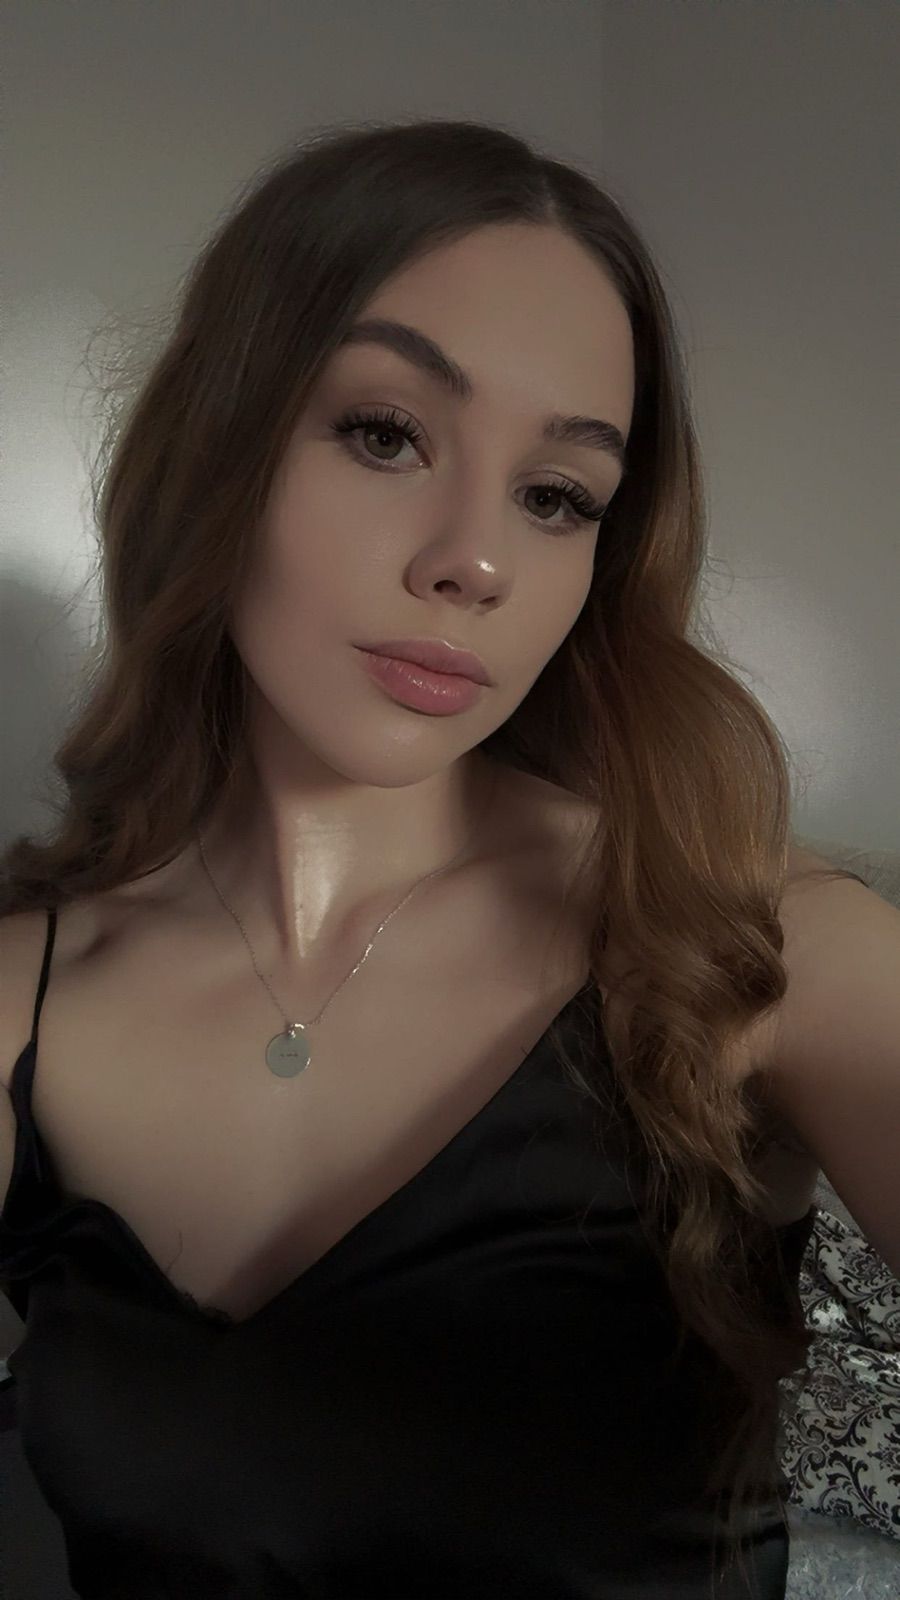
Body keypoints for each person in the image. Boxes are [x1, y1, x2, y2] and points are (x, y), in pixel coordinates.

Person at [0, 118, 868, 1598]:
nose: (477, 560)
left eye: (558, 496)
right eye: (385, 432)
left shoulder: (761, 946)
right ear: (219, 446)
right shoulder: (27, 991)